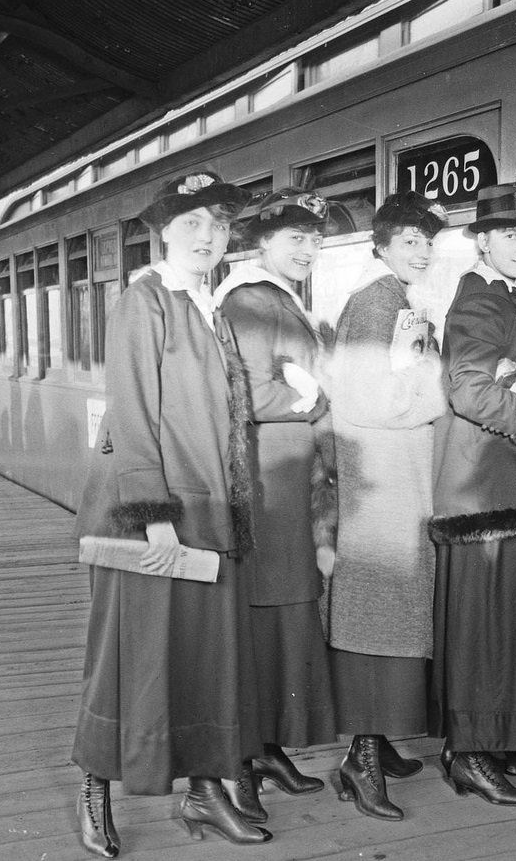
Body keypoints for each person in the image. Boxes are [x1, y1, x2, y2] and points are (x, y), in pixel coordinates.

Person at [71, 171, 269, 857]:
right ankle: (95, 792)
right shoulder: (144, 301)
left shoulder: (206, 306)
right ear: (163, 232)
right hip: (149, 513)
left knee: (204, 655)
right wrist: (154, 516)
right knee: (129, 656)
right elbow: (130, 413)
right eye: (192, 224)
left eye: (217, 223)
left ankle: (206, 793)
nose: (207, 235)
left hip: (206, 507)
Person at [429, 170, 516, 808]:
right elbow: (467, 388)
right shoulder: (481, 302)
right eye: (507, 233)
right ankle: (471, 752)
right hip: (482, 483)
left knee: (513, 616)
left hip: (508, 480)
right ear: (482, 243)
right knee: (487, 622)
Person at [215, 187, 341, 822]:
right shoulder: (250, 302)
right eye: (295, 237)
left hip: (290, 479)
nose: (308, 248)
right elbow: (252, 397)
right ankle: (244, 755)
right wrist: (319, 401)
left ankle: (265, 747)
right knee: (266, 613)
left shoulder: (275, 299)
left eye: (315, 238)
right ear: (262, 243)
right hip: (269, 480)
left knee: (283, 611)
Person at [326, 192, 449, 821]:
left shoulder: (393, 299)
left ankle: (378, 742)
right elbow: (376, 400)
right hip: (383, 478)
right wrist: (438, 395)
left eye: (428, 242)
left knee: (394, 605)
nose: (422, 252)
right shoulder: (379, 304)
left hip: (392, 477)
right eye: (409, 241)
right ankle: (362, 757)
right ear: (381, 247)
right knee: (382, 607)